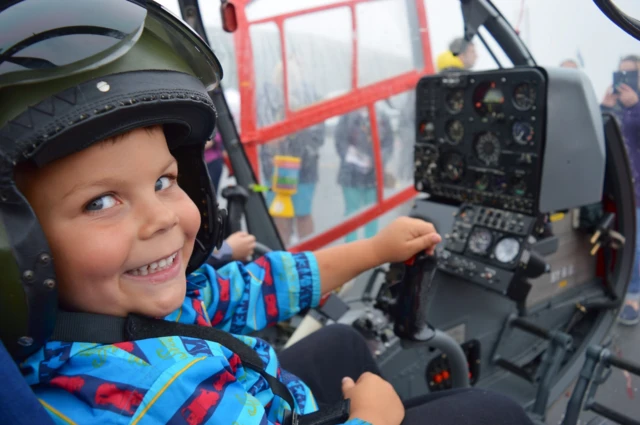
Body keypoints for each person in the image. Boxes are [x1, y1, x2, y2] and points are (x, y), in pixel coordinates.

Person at [0, 2, 535, 425]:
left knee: (347, 342)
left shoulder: (136, 305)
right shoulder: (144, 402)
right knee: (494, 412)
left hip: (265, 393)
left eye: (164, 181)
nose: (161, 218)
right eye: (101, 201)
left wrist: (375, 250)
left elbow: (253, 285)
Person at [258, 60, 325, 246]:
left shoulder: (311, 97)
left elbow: (318, 137)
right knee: (280, 217)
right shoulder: (267, 100)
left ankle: (308, 253)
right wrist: (273, 140)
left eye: (289, 77)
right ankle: (283, 255)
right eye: (280, 78)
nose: (284, 82)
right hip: (275, 170)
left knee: (302, 214)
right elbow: (260, 133)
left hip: (304, 170)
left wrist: (297, 127)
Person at [601, 54, 640, 326]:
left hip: (637, 190)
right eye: (621, 73)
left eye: (631, 74)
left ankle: (633, 295)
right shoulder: (612, 105)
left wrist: (634, 108)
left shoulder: (635, 106)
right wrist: (603, 108)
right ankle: (614, 284)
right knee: (614, 239)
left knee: (636, 244)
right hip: (613, 188)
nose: (624, 79)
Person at [335, 108, 394, 242]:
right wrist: (356, 158)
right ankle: (350, 250)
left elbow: (388, 144)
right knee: (351, 213)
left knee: (372, 214)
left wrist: (377, 159)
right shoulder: (347, 116)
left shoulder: (382, 116)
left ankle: (370, 250)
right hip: (351, 176)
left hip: (373, 176)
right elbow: (340, 142)